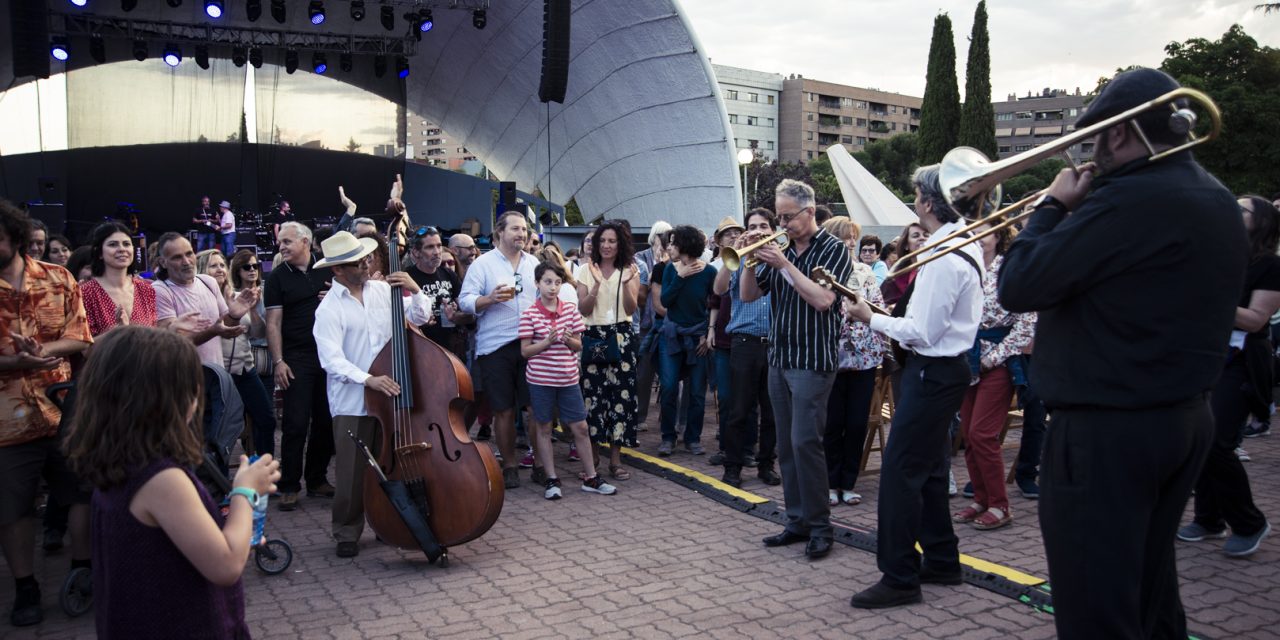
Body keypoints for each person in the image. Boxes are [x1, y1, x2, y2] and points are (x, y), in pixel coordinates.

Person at [997, 68, 1247, 638]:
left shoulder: (1129, 199)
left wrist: (1052, 207)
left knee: (1096, 606)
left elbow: (1019, 284)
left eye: (1093, 139)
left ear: (1119, 133)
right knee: (1149, 589)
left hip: (1108, 430)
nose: (1089, 155)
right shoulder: (1213, 195)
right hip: (1180, 417)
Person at [63, 325, 280, 639]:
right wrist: (244, 491)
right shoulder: (162, 480)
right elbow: (226, 565)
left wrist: (237, 527)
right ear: (166, 397)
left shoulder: (120, 465)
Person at [845, 165, 983, 608]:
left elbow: (921, 330)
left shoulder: (945, 254)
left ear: (926, 202)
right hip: (945, 369)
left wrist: (871, 317)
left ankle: (899, 576)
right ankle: (942, 560)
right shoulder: (962, 242)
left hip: (933, 370)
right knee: (930, 470)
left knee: (901, 472)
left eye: (916, 197)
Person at [741, 179, 853, 562]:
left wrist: (784, 263)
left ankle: (822, 527)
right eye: (779, 217)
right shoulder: (781, 247)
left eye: (788, 217)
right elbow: (748, 296)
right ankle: (797, 520)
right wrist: (748, 261)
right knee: (787, 445)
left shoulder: (833, 249)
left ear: (809, 212)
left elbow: (823, 300)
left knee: (807, 442)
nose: (782, 225)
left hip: (812, 359)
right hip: (780, 356)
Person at [0, 200, 93, 628]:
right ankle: (26, 588)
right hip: (6, 423)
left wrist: (44, 353)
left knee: (80, 494)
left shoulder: (59, 279)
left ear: (15, 238)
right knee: (13, 508)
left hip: (64, 410)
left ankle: (82, 572)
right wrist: (14, 362)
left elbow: (80, 337)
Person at [312, 231, 432, 557]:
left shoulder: (383, 291)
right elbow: (331, 361)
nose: (366, 263)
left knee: (390, 465)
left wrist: (416, 288)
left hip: (391, 395)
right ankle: (346, 532)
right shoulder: (328, 309)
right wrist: (369, 379)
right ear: (337, 270)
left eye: (365, 257)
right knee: (352, 473)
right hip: (354, 400)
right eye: (357, 261)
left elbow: (421, 316)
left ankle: (387, 521)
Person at [1176, 195, 1278, 558]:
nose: (1233, 212)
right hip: (1209, 356)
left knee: (1217, 441)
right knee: (1197, 435)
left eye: (1242, 210)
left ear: (1262, 221)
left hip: (1241, 362)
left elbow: (1255, 320)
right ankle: (1209, 519)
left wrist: (1210, 296)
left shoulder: (1270, 265)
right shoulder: (1224, 257)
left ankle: (1249, 522)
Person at [951, 224, 1035, 531]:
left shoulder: (1009, 269)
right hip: (964, 358)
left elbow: (1026, 324)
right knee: (969, 433)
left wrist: (992, 358)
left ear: (998, 235)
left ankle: (1000, 504)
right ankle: (981, 498)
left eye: (983, 230)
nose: (975, 235)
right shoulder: (965, 267)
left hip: (997, 362)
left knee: (983, 433)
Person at [519, 261, 616, 499]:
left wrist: (566, 339)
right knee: (543, 426)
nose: (553, 287)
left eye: (557, 282)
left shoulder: (570, 310)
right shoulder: (529, 313)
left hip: (568, 379)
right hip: (541, 380)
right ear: (537, 283)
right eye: (547, 282)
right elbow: (525, 351)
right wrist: (546, 342)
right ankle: (552, 479)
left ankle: (591, 477)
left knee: (580, 427)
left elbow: (578, 345)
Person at [458, 211, 539, 489]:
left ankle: (540, 464)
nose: (522, 234)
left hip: (531, 344)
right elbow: (465, 301)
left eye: (525, 230)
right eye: (516, 229)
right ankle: (510, 465)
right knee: (502, 410)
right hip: (496, 347)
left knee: (535, 408)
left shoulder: (534, 263)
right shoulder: (482, 264)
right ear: (499, 233)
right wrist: (489, 299)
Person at [265, 221, 338, 511]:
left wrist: (336, 295)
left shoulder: (328, 269)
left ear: (306, 242)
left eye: (287, 242)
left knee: (326, 420)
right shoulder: (277, 278)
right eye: (280, 242)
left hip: (328, 354)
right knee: (295, 422)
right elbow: (273, 322)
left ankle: (317, 479)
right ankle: (289, 485)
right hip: (296, 357)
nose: (281, 247)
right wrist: (278, 361)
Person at [822, 216, 887, 508]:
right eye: (846, 236)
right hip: (830, 357)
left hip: (864, 357)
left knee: (857, 422)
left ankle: (849, 482)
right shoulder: (820, 272)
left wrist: (864, 313)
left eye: (853, 237)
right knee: (833, 422)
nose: (851, 242)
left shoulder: (866, 272)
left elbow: (879, 309)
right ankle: (829, 482)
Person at [715, 208, 779, 488]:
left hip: (775, 343)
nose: (758, 231)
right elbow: (718, 290)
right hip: (745, 343)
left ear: (772, 229)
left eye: (763, 225)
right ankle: (733, 467)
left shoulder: (781, 259)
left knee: (772, 411)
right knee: (738, 409)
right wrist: (735, 255)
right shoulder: (738, 259)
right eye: (752, 226)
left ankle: (767, 464)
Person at [574, 221, 641, 479]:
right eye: (602, 241)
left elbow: (631, 308)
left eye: (612, 241)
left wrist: (625, 282)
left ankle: (615, 460)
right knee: (592, 398)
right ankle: (592, 461)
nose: (606, 246)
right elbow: (584, 309)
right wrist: (597, 284)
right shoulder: (585, 270)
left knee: (620, 398)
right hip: (593, 336)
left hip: (621, 336)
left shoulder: (630, 270)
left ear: (620, 243)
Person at [656, 225, 716, 456]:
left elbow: (713, 303)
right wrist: (680, 276)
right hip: (672, 335)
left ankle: (693, 438)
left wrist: (708, 332)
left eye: (673, 242)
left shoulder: (709, 272)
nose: (669, 247)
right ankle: (668, 437)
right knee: (669, 387)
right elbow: (666, 301)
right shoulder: (670, 270)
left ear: (685, 245)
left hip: (698, 336)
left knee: (698, 392)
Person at [226, 249, 278, 458]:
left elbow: (263, 330)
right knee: (243, 420)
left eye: (255, 266)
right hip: (243, 359)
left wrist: (255, 310)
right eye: (246, 267)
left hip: (267, 358)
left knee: (265, 416)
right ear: (237, 270)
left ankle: (263, 463)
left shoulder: (267, 291)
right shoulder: (232, 295)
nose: (252, 271)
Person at [80, 222, 162, 336]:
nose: (122, 249)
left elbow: (153, 337)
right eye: (113, 244)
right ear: (99, 253)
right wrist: (119, 331)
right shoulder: (86, 292)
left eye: (126, 244)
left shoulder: (146, 289)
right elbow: (86, 347)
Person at [706, 217, 742, 462]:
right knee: (726, 395)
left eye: (736, 232)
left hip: (746, 337)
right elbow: (715, 301)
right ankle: (726, 446)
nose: (732, 236)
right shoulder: (716, 264)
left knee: (746, 397)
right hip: (724, 336)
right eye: (728, 233)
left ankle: (745, 447)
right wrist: (710, 329)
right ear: (719, 240)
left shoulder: (752, 258)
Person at [405, 226, 472, 360]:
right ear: (416, 252)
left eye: (439, 246)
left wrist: (455, 316)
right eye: (430, 247)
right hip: (421, 350)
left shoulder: (449, 274)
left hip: (452, 349)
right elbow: (399, 319)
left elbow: (469, 314)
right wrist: (420, 322)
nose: (437, 252)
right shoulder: (408, 277)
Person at [634, 221, 672, 429]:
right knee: (644, 373)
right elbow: (640, 292)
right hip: (646, 323)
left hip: (668, 322)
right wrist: (656, 268)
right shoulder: (640, 258)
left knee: (670, 375)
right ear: (653, 237)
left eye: (667, 236)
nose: (664, 239)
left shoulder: (675, 259)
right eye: (660, 235)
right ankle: (639, 417)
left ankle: (667, 419)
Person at [880, 223, 929, 308]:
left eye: (926, 235)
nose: (922, 238)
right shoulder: (896, 275)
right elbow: (882, 304)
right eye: (915, 236)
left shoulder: (938, 267)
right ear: (906, 245)